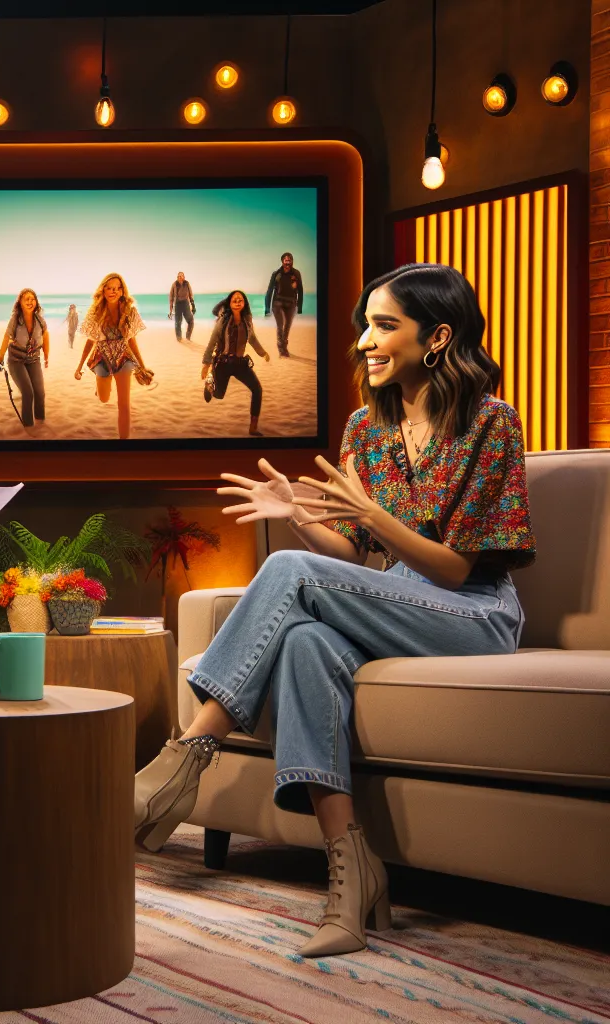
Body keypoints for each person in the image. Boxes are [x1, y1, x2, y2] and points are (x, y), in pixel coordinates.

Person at [134, 264, 535, 958]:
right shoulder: (366, 427)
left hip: (472, 614)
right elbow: (347, 555)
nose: (365, 342)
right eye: (363, 327)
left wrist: (373, 515)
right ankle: (351, 879)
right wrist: (297, 517)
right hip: (394, 598)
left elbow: (456, 567)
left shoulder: (490, 424)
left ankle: (187, 751)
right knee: (306, 646)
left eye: (385, 326)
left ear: (437, 336)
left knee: (292, 578)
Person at [74, 273, 152, 441]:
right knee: (104, 398)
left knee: (124, 405)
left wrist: (141, 365)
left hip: (124, 357)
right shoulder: (96, 311)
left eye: (117, 288)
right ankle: (101, 386)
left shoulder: (129, 311)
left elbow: (131, 340)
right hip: (102, 357)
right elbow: (90, 341)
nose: (113, 292)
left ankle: (124, 442)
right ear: (103, 290)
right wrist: (79, 366)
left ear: (122, 291)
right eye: (109, 288)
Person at [202, 290, 272, 436]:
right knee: (219, 395)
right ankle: (210, 381)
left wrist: (262, 352)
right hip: (223, 363)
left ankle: (253, 427)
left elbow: (252, 339)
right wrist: (206, 363)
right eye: (234, 299)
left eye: (240, 299)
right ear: (230, 303)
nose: (238, 301)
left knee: (257, 389)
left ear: (244, 303)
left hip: (240, 364)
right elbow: (212, 341)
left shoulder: (247, 320)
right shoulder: (223, 320)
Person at [0, 288, 50, 432]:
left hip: (33, 359)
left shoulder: (40, 320)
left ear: (36, 302)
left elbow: (46, 337)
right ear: (20, 302)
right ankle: (28, 426)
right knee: (28, 392)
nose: (30, 302)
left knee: (40, 392)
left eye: (33, 299)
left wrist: (47, 356)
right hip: (16, 360)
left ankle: (40, 421)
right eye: (27, 299)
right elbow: (6, 338)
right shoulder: (15, 319)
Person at [264, 252, 303, 357]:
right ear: (282, 261)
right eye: (286, 260)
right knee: (280, 326)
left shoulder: (296, 274)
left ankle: (284, 345)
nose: (288, 262)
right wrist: (267, 307)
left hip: (291, 303)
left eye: (290, 260)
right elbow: (270, 290)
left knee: (287, 326)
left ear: (292, 262)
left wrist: (300, 306)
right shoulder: (276, 274)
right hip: (278, 303)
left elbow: (300, 290)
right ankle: (281, 349)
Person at [168, 271, 196, 342]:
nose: (179, 278)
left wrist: (193, 305)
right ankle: (179, 338)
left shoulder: (187, 283)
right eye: (178, 276)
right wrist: (170, 310)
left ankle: (188, 337)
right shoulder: (174, 284)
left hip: (185, 304)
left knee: (191, 321)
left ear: (184, 277)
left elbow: (191, 294)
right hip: (178, 304)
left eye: (181, 276)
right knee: (178, 322)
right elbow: (171, 297)